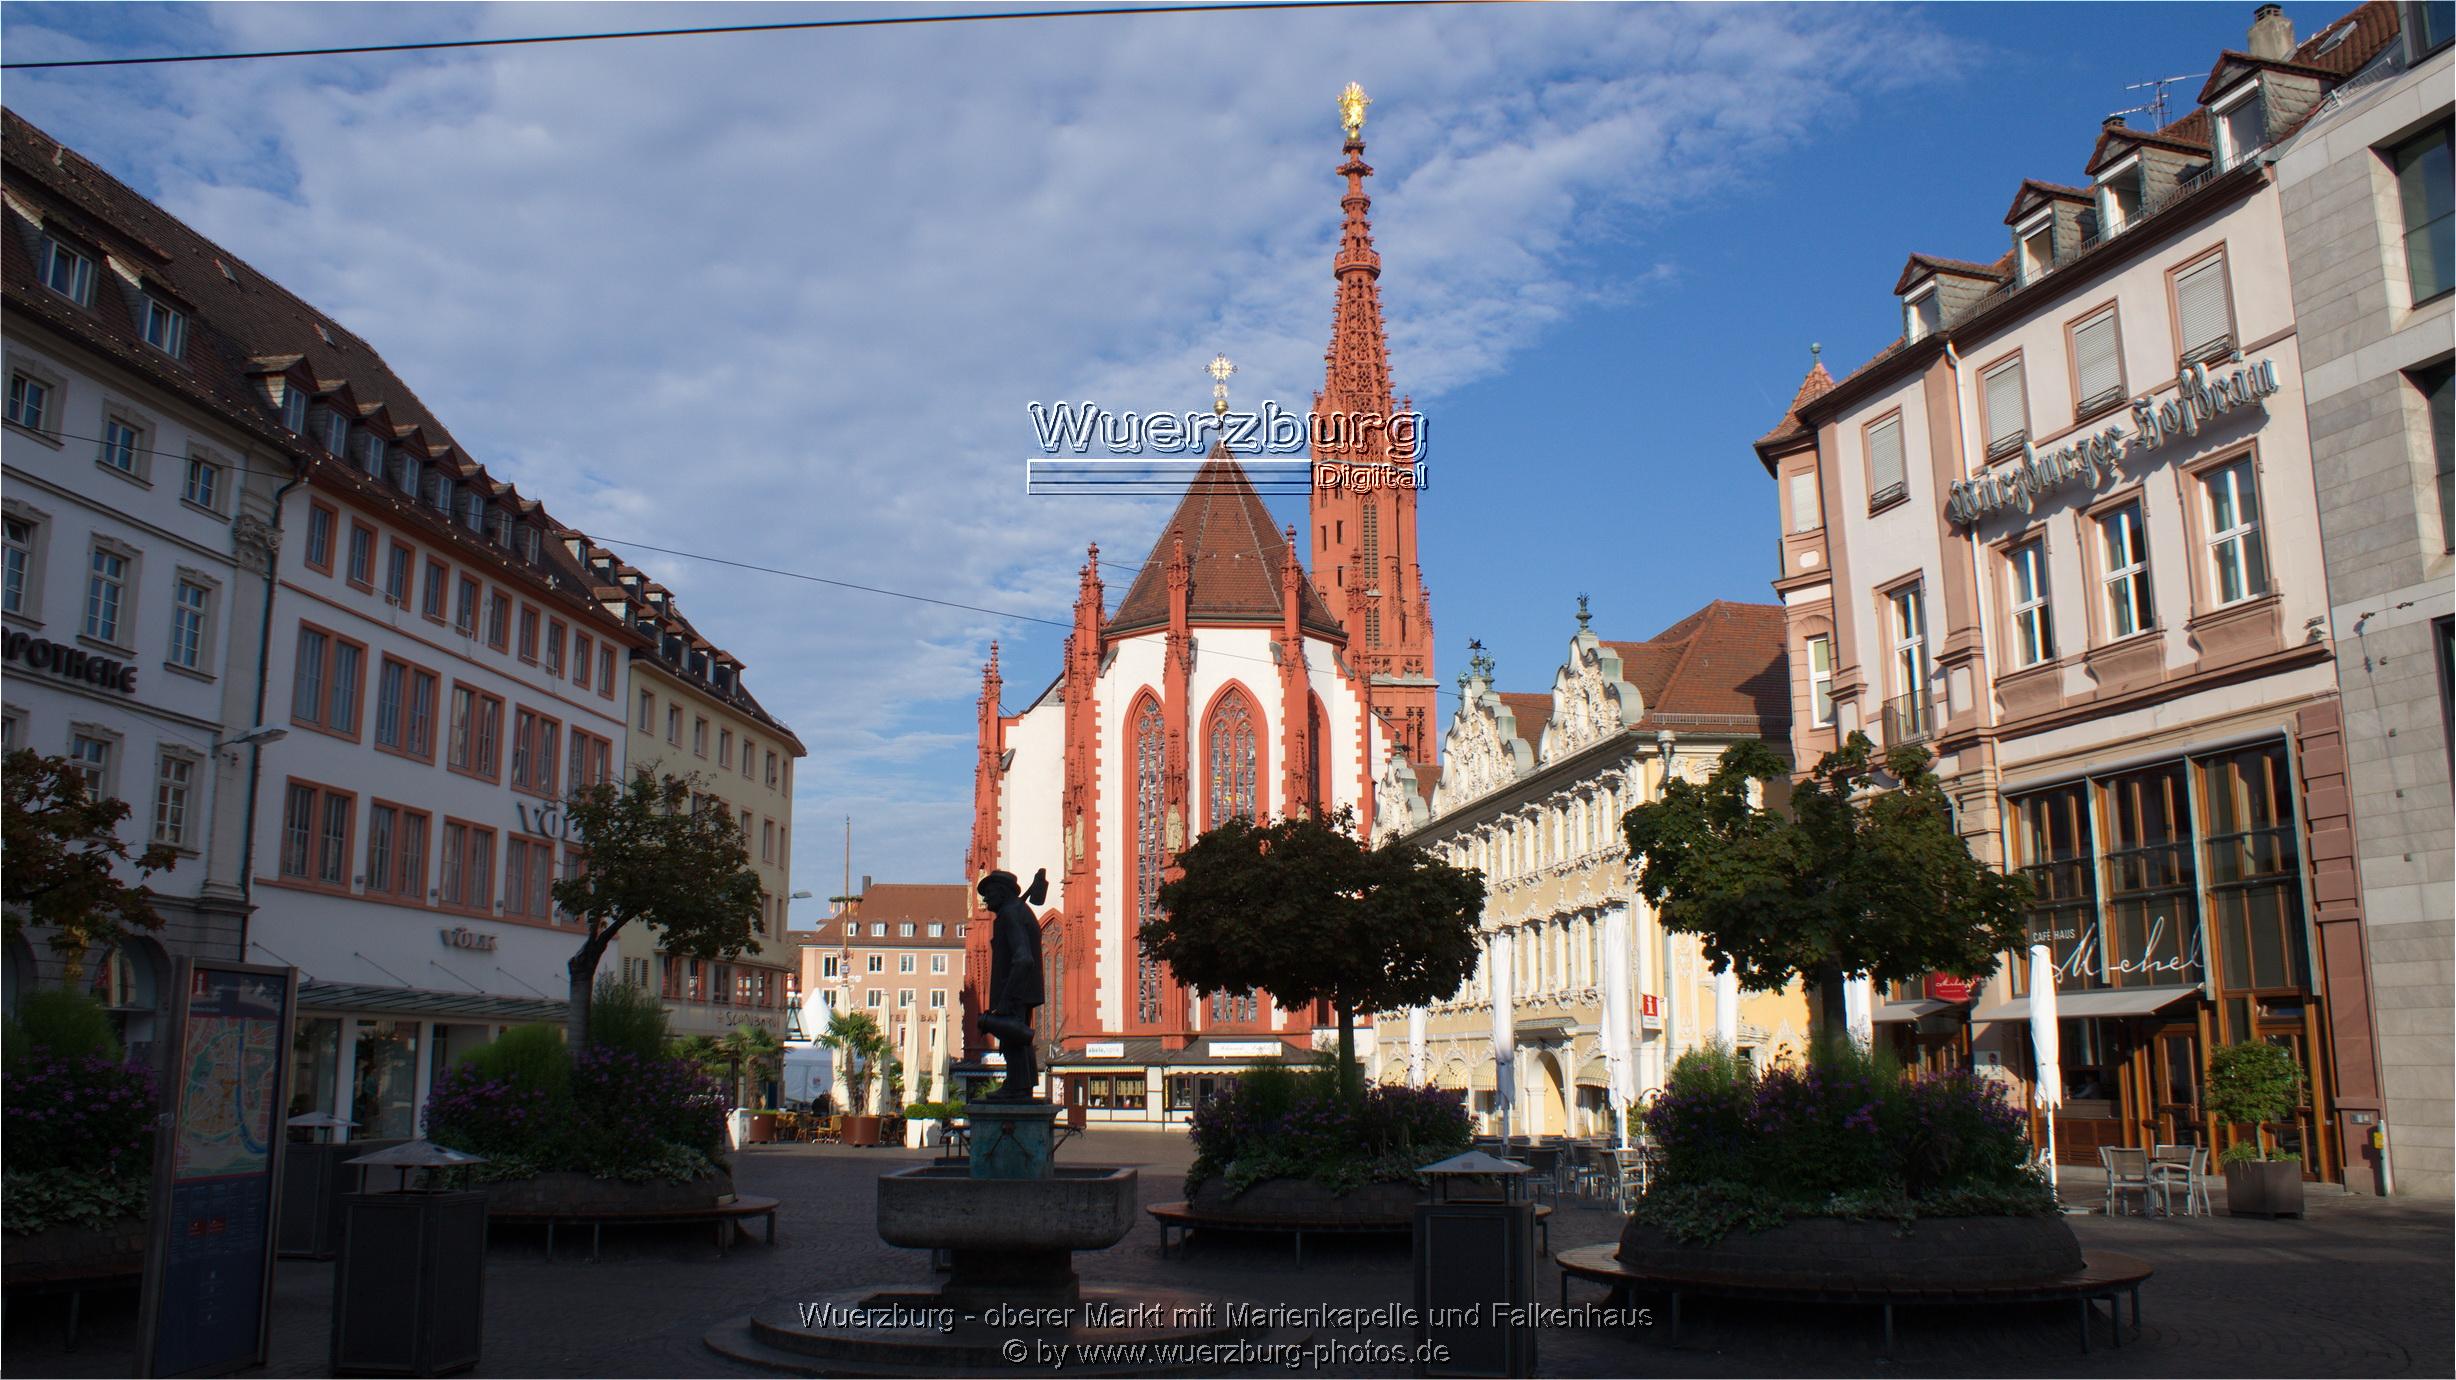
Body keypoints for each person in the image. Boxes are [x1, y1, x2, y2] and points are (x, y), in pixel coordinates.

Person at [975, 867, 1048, 1102]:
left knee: (1012, 1038)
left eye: (989, 892)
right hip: (1024, 989)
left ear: (1003, 892)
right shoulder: (1019, 910)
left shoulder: (1010, 913)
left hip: (1015, 990)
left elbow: (1023, 957)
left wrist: (1007, 996)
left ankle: (1015, 1088)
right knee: (1019, 1039)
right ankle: (1021, 1086)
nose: (985, 899)